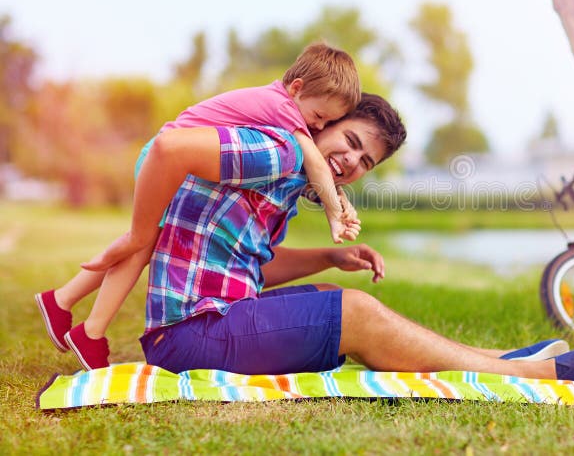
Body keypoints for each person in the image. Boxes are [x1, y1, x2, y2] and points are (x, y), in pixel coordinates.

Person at [40, 94, 574, 384]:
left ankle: (495, 358)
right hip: (187, 338)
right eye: (351, 139)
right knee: (354, 314)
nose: (353, 160)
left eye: (367, 160)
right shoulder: (279, 149)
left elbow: (249, 269)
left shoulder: (288, 179)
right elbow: (167, 150)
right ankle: (524, 374)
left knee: (327, 305)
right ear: (323, 123)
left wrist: (331, 256)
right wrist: (140, 232)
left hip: (213, 316)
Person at [35, 42, 363, 369]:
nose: (317, 128)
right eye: (319, 117)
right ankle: (90, 332)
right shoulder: (283, 108)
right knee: (139, 244)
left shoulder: (281, 104)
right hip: (163, 161)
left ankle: (61, 301)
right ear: (297, 88)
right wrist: (335, 216)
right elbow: (316, 165)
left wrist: (341, 199)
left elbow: (313, 174)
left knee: (141, 245)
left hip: (167, 160)